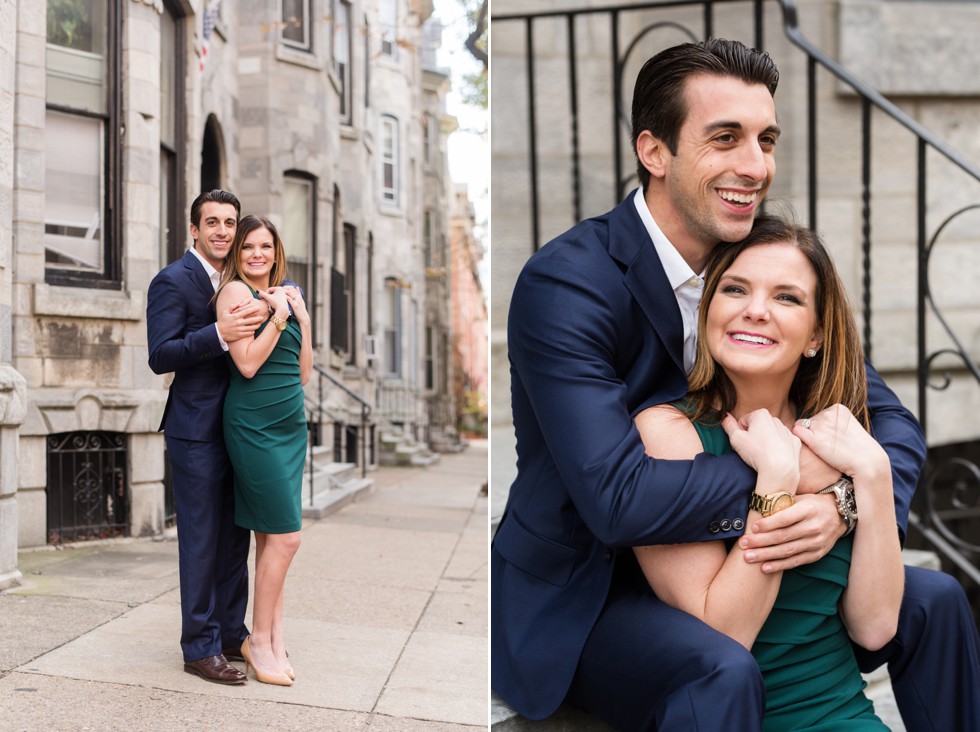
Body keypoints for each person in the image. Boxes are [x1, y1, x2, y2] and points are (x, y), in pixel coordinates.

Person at [492, 38, 979, 731]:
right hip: (592, 585)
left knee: (934, 600)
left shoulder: (751, 260)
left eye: (766, 140)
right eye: (726, 139)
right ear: (654, 152)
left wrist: (845, 501)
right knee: (719, 666)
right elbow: (617, 498)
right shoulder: (569, 285)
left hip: (724, 544)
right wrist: (793, 481)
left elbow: (889, 422)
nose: (756, 167)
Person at [633, 215, 920, 730]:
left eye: (786, 297)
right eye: (735, 289)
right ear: (708, 311)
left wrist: (873, 473)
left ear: (816, 335)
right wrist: (777, 481)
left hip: (846, 715)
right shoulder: (668, 432)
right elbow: (724, 636)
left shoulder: (839, 435)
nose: (756, 311)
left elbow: (875, 628)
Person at [147, 189, 268, 684]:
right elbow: (161, 355)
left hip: (239, 429)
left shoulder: (239, 280)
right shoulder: (172, 281)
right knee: (200, 540)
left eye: (229, 222)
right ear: (193, 228)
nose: (222, 230)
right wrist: (218, 334)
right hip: (195, 430)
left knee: (234, 536)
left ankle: (228, 632)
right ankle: (198, 645)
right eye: (211, 222)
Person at [216, 214, 312, 687]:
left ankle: (273, 637)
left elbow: (304, 373)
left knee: (270, 540)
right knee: (288, 538)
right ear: (239, 253)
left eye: (266, 247)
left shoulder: (288, 293)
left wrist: (302, 319)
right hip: (253, 425)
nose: (257, 254)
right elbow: (248, 363)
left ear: (277, 251)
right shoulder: (235, 294)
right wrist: (278, 315)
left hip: (290, 424)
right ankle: (256, 641)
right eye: (249, 246)